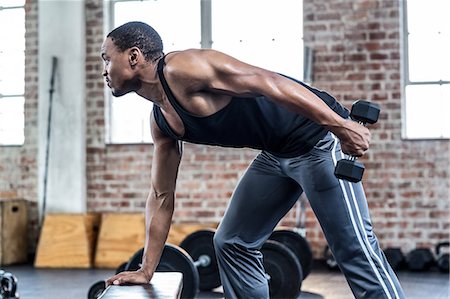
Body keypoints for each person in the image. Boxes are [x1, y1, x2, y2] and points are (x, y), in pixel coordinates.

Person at [102, 21, 405, 299]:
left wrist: (340, 125)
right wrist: (146, 269)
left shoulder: (184, 68)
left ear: (133, 56)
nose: (103, 69)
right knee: (232, 241)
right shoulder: (162, 124)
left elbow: (267, 81)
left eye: (106, 58)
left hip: (317, 138)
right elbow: (161, 196)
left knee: (353, 248)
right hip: (276, 154)